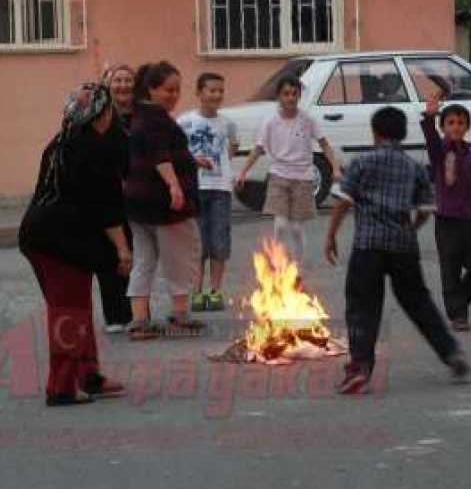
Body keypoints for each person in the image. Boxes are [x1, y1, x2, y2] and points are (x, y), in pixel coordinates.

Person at [325, 107, 470, 394]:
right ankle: (451, 353)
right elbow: (426, 209)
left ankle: (360, 368)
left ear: (375, 132)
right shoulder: (413, 166)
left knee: (362, 307)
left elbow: (343, 201)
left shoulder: (362, 162)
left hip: (368, 246)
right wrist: (410, 229)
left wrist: (331, 236)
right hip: (403, 246)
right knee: (419, 302)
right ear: (402, 134)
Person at [18, 84, 129, 406]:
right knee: (69, 313)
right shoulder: (93, 149)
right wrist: (122, 249)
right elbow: (106, 205)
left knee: (77, 309)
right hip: (58, 240)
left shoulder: (63, 141)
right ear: (104, 113)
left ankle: (89, 377)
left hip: (42, 235)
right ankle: (61, 387)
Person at [125, 61, 206, 340]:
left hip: (137, 204)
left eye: (177, 90)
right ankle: (180, 314)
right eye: (168, 90)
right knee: (181, 255)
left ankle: (138, 321)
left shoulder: (139, 115)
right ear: (151, 89)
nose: (174, 95)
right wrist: (174, 186)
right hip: (162, 205)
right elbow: (160, 155)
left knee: (144, 260)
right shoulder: (156, 117)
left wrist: (192, 160)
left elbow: (153, 152)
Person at [235, 75, 342, 274]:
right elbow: (258, 148)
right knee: (281, 224)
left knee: (296, 228)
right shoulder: (271, 122)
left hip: (303, 178)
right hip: (279, 176)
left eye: (294, 94)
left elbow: (324, 144)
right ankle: (276, 264)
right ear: (279, 97)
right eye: (286, 94)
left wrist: (335, 167)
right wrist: (243, 172)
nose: (290, 98)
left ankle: (297, 267)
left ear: (299, 96)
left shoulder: (307, 120)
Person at [421, 92, 471, 332]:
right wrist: (429, 119)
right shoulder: (440, 153)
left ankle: (458, 301)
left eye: (461, 123)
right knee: (450, 269)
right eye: (451, 122)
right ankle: (458, 315)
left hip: (470, 220)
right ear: (443, 127)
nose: (456, 127)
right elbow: (431, 141)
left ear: (467, 127)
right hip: (446, 221)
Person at [178, 72, 239, 312]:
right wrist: (193, 162)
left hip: (220, 189)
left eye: (220, 91)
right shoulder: (184, 122)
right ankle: (196, 291)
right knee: (197, 244)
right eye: (212, 90)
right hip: (195, 189)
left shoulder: (227, 123)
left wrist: (224, 167)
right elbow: (177, 153)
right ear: (199, 92)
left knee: (219, 241)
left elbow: (233, 147)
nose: (217, 95)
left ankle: (214, 290)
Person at [96, 65, 136, 333]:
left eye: (127, 80)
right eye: (117, 80)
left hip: (135, 194)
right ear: (108, 85)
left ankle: (135, 312)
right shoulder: (99, 115)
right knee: (108, 254)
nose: (122, 85)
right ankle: (114, 316)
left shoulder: (141, 115)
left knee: (135, 254)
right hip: (106, 191)